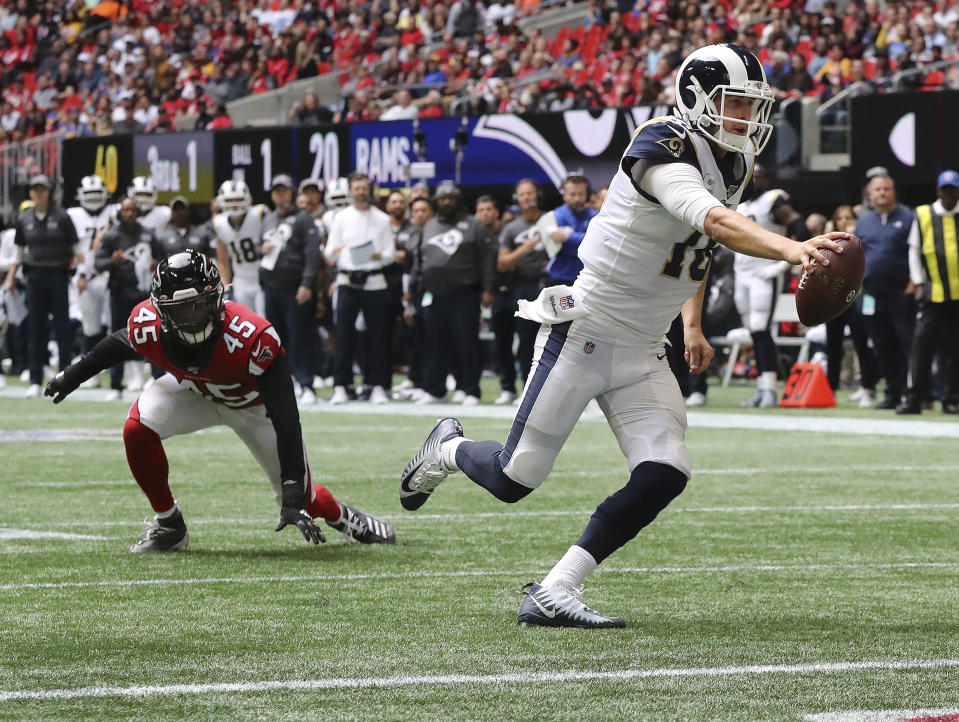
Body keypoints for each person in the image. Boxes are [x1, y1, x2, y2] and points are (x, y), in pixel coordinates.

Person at [399, 44, 850, 628]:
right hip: (586, 327)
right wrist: (792, 248)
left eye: (750, 106)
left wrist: (691, 321)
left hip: (645, 343)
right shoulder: (660, 141)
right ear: (695, 100)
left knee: (666, 469)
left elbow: (695, 248)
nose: (746, 118)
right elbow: (706, 217)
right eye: (734, 103)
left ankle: (557, 589)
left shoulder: (734, 164)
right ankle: (449, 449)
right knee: (516, 479)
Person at [43, 250, 395, 552]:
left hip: (254, 409)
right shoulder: (148, 324)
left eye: (197, 306)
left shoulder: (252, 337)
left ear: (217, 298)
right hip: (196, 391)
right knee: (138, 428)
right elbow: (119, 343)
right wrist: (72, 375)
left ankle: (343, 517)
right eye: (180, 310)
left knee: (305, 501)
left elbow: (287, 420)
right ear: (161, 310)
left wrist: (291, 496)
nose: (191, 317)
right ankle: (170, 525)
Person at [411, 180, 496, 405]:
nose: (447, 201)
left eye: (451, 198)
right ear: (436, 202)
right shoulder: (428, 225)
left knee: (466, 342)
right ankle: (435, 390)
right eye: (442, 198)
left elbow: (487, 260)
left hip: (464, 293)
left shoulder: (473, 224)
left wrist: (488, 288)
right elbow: (420, 259)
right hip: (433, 294)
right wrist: (415, 286)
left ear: (458, 200)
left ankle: (469, 389)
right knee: (434, 343)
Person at [732, 166, 807, 407]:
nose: (752, 180)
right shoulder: (741, 205)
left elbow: (799, 227)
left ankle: (770, 389)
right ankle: (761, 387)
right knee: (752, 332)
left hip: (764, 273)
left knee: (760, 328)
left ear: (766, 179)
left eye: (757, 176)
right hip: (741, 273)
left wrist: (785, 263)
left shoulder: (772, 200)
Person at [3, 175, 79, 397]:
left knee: (63, 328)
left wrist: (80, 273)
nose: (39, 193)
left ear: (49, 192)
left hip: (58, 275)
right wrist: (10, 278)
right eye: (35, 189)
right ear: (30, 193)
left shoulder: (63, 217)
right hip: (34, 277)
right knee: (35, 329)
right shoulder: (24, 219)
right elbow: (18, 251)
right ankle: (35, 378)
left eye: (43, 189)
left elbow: (76, 247)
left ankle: (66, 378)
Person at [324, 172, 395, 405]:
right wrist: (335, 252)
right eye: (357, 188)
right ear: (350, 191)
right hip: (347, 282)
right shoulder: (340, 218)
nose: (361, 192)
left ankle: (376, 385)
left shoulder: (382, 219)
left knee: (376, 338)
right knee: (344, 336)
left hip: (374, 283)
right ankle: (341, 385)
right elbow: (328, 251)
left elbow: (390, 255)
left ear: (370, 190)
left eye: (364, 188)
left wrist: (378, 255)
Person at [897, 170, 959, 414]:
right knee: (921, 346)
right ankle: (914, 398)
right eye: (946, 190)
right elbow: (913, 250)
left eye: (953, 189)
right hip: (932, 293)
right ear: (938, 191)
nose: (950, 194)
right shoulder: (923, 214)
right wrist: (918, 281)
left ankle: (952, 397)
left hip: (958, 295)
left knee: (956, 349)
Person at [259, 174, 324, 405]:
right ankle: (283, 384)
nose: (280, 194)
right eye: (276, 190)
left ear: (292, 192)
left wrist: (307, 283)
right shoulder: (267, 219)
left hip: (295, 287)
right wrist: (262, 248)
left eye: (284, 190)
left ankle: (306, 383)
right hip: (271, 288)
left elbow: (312, 253)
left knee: (300, 337)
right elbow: (261, 249)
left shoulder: (303, 217)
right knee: (276, 341)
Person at [855, 173, 916, 409]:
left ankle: (912, 393)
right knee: (882, 345)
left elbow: (918, 252)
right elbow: (856, 256)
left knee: (907, 345)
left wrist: (914, 284)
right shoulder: (864, 221)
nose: (882, 193)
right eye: (877, 189)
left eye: (886, 189)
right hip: (871, 294)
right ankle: (891, 393)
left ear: (893, 192)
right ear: (870, 195)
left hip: (902, 293)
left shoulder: (909, 217)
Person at [95, 197, 163, 401]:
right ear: (120, 212)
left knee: (154, 335)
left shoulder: (147, 234)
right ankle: (116, 384)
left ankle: (158, 381)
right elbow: (98, 263)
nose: (130, 214)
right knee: (117, 338)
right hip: (119, 292)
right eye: (126, 210)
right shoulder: (112, 235)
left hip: (144, 294)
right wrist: (111, 261)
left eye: (133, 210)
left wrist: (156, 264)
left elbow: (163, 259)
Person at [496, 179, 549, 399]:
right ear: (516, 198)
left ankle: (546, 390)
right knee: (526, 340)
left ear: (537, 194)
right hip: (523, 286)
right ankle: (525, 389)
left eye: (530, 193)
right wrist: (523, 250)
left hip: (550, 284)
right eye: (522, 194)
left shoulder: (551, 220)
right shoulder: (511, 227)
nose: (527, 198)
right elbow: (502, 263)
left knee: (551, 339)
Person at [823, 205, 879, 405]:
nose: (845, 221)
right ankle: (831, 388)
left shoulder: (862, 239)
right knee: (833, 345)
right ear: (835, 221)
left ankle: (867, 387)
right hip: (834, 298)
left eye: (849, 217)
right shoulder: (827, 240)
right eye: (841, 218)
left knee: (862, 343)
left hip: (858, 297)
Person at [68, 175, 117, 384]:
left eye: (98, 194)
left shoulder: (114, 212)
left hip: (109, 274)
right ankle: (91, 372)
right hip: (84, 276)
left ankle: (119, 370)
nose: (95, 198)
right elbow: (74, 247)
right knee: (90, 326)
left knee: (115, 326)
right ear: (80, 195)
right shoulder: (72, 215)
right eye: (90, 194)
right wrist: (80, 272)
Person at [213, 179, 267, 316]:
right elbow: (222, 260)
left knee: (265, 323)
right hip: (240, 282)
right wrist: (226, 286)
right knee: (246, 324)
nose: (235, 204)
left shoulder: (260, 214)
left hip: (263, 280)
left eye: (238, 199)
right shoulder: (219, 223)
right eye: (230, 200)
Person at [546, 174, 598, 286]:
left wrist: (568, 237)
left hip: (587, 278)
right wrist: (583, 238)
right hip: (560, 277)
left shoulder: (596, 217)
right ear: (564, 195)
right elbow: (564, 249)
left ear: (587, 195)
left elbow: (597, 241)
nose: (577, 199)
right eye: (572, 194)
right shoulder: (554, 217)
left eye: (581, 194)